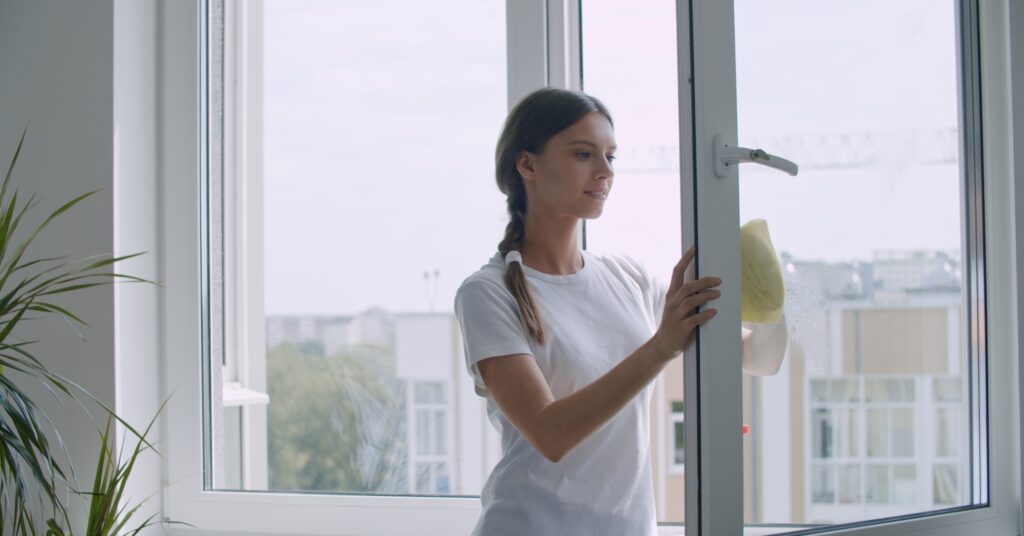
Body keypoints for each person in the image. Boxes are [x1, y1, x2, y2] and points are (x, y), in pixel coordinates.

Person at [453, 87, 722, 535]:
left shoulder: (628, 278)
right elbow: (550, 434)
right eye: (583, 154)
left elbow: (750, 349)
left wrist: (779, 305)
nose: (604, 172)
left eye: (610, 157)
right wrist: (659, 348)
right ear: (527, 164)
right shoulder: (486, 294)